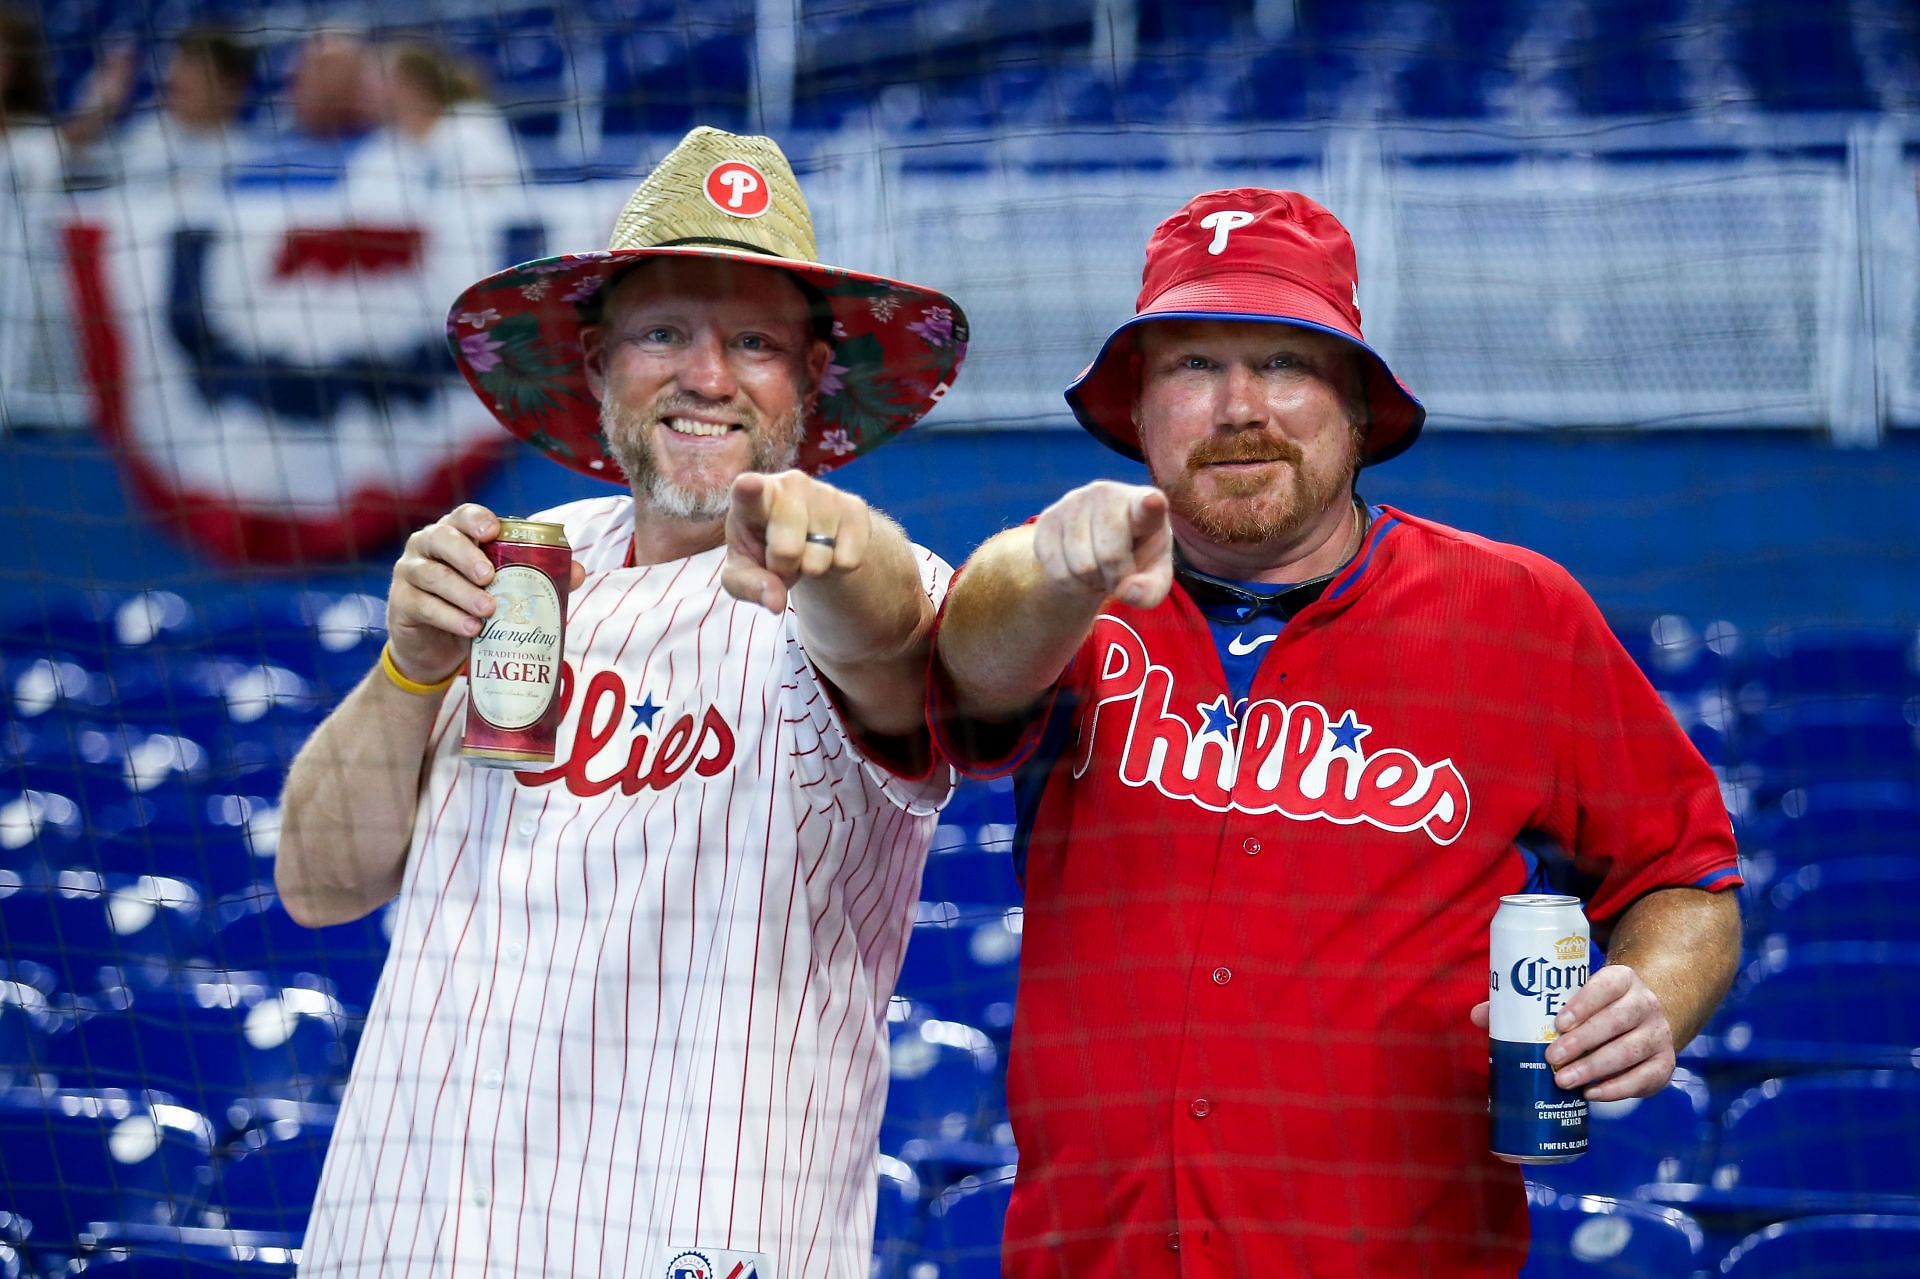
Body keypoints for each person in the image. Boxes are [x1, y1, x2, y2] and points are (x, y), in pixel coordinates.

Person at [928, 188, 1742, 1276]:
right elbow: (965, 673)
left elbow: (1686, 876)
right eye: (1191, 366)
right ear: (1137, 411)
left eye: (1284, 363)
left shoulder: (1518, 613)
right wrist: (1040, 569)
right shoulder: (1061, 587)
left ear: (1358, 407)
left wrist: (1652, 999)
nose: (1237, 406)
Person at [278, 126, 970, 1278]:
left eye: (754, 341)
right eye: (665, 333)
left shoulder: (861, 592)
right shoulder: (506, 569)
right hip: (399, 1232)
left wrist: (847, 570)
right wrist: (406, 666)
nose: (707, 377)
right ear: (598, 364)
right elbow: (316, 885)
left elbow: (904, 634)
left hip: (683, 1243)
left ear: (811, 380)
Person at [63, 24, 259, 186]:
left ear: (232, 86)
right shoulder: (146, 135)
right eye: (178, 62)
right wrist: (96, 112)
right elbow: (71, 164)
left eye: (194, 66)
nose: (174, 76)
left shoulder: (246, 155)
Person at [349, 38, 523, 194]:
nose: (366, 90)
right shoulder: (382, 143)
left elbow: (490, 201)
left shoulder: (473, 127)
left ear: (413, 85)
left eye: (377, 79)